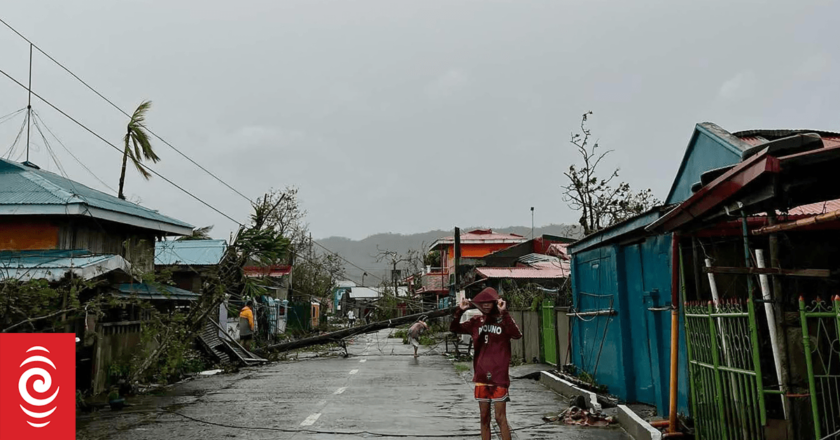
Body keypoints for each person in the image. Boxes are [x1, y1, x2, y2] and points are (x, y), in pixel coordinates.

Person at [450, 287, 522, 440]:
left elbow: (516, 335)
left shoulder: (503, 320)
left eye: (489, 302)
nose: (486, 305)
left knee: (500, 418)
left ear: (496, 302)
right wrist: (460, 311)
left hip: (499, 377)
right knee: (484, 418)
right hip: (481, 376)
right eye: (483, 303)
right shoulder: (476, 321)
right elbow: (454, 328)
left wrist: (504, 313)